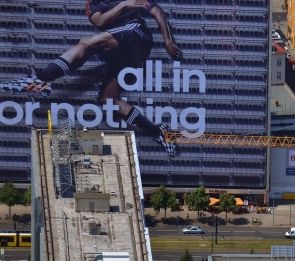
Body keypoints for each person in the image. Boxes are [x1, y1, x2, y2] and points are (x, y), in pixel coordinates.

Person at [0, 0, 183, 157]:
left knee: (86, 43)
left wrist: (168, 41)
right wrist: (124, 5)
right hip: (121, 51)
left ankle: (42, 79)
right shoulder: (92, 4)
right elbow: (99, 20)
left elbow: (156, 11)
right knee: (108, 100)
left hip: (135, 34)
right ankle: (158, 132)